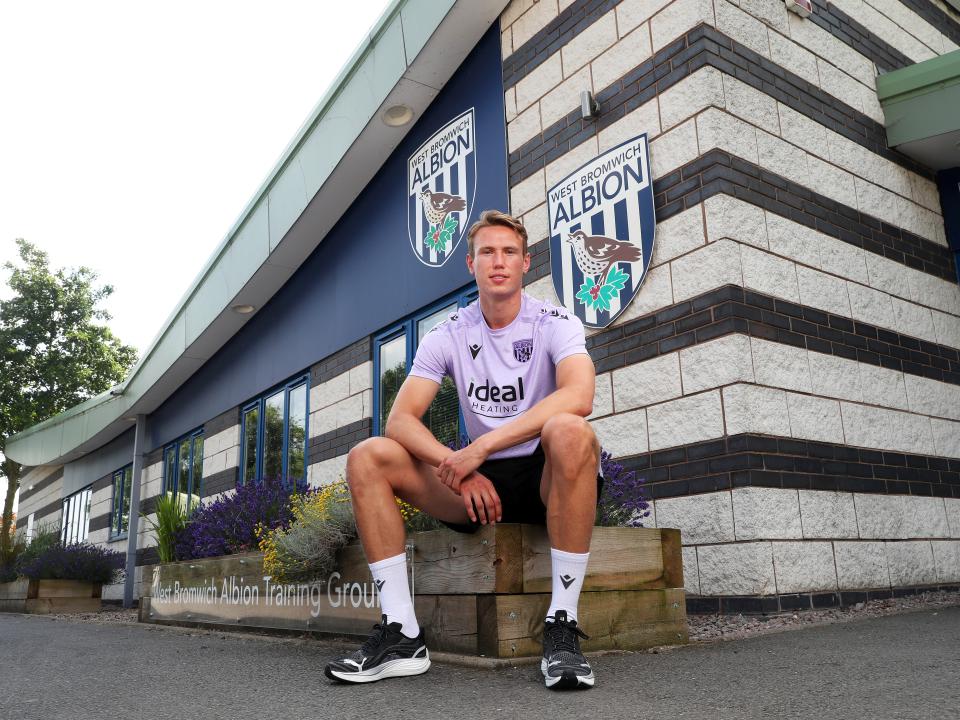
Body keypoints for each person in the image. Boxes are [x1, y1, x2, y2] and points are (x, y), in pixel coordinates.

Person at [324, 210, 600, 690]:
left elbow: (580, 396)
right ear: (470, 264)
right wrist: (460, 466)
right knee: (368, 455)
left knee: (569, 430)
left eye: (509, 252)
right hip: (480, 488)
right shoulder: (447, 333)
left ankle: (561, 625)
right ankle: (402, 634)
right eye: (487, 253)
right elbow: (400, 420)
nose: (498, 262)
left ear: (525, 263)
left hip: (545, 477)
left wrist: (481, 447)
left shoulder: (555, 322)